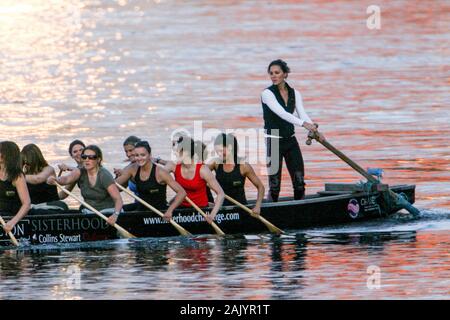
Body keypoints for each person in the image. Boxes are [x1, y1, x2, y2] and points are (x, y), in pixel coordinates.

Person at [261, 59, 325, 201]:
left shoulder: (295, 93)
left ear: (285, 74)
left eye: (277, 73)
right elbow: (283, 114)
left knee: (299, 182)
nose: (273, 76)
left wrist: (314, 130)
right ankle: (271, 211)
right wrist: (304, 125)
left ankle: (301, 212)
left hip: (290, 140)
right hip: (274, 141)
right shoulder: (267, 94)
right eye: (271, 73)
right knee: (275, 185)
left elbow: (302, 114)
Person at [48, 145, 123, 225]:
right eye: (84, 157)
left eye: (91, 157)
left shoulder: (104, 175)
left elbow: (118, 199)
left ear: (98, 159)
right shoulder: (80, 171)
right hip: (89, 213)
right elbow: (66, 179)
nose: (87, 160)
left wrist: (115, 215)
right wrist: (56, 179)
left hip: (107, 213)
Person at [115, 141, 186, 220]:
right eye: (136, 155)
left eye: (143, 155)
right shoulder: (133, 169)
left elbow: (182, 193)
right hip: (141, 210)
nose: (139, 158)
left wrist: (170, 211)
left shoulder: (160, 172)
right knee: (113, 211)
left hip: (159, 213)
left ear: (149, 155)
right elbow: (114, 186)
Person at [164, 136, 225, 224]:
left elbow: (221, 194)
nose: (174, 154)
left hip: (201, 210)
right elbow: (157, 176)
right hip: (180, 209)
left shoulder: (202, 170)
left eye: (177, 152)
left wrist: (212, 215)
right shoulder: (172, 166)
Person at [207, 133, 265, 215]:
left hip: (241, 209)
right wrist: (207, 202)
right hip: (221, 209)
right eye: (217, 151)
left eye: (221, 151)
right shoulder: (215, 163)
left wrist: (257, 206)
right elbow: (198, 174)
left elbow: (261, 187)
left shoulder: (243, 166)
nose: (219, 154)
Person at [21, 144, 68, 211]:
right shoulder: (25, 174)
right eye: (24, 163)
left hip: (50, 207)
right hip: (34, 208)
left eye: (28, 163)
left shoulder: (49, 170)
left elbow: (38, 179)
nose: (27, 166)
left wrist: (17, 176)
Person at [0, 141, 31, 233]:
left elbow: (27, 204)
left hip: (12, 215)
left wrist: (12, 222)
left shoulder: (17, 176)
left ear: (7, 155)